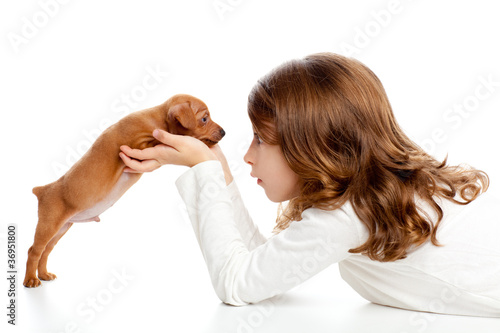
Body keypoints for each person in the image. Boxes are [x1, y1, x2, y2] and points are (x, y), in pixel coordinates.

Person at [118, 53, 500, 317]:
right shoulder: (368, 196)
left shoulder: (348, 214)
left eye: (261, 140)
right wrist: (215, 169)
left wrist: (204, 171)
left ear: (312, 147)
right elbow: (263, 269)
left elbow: (238, 283)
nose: (248, 155)